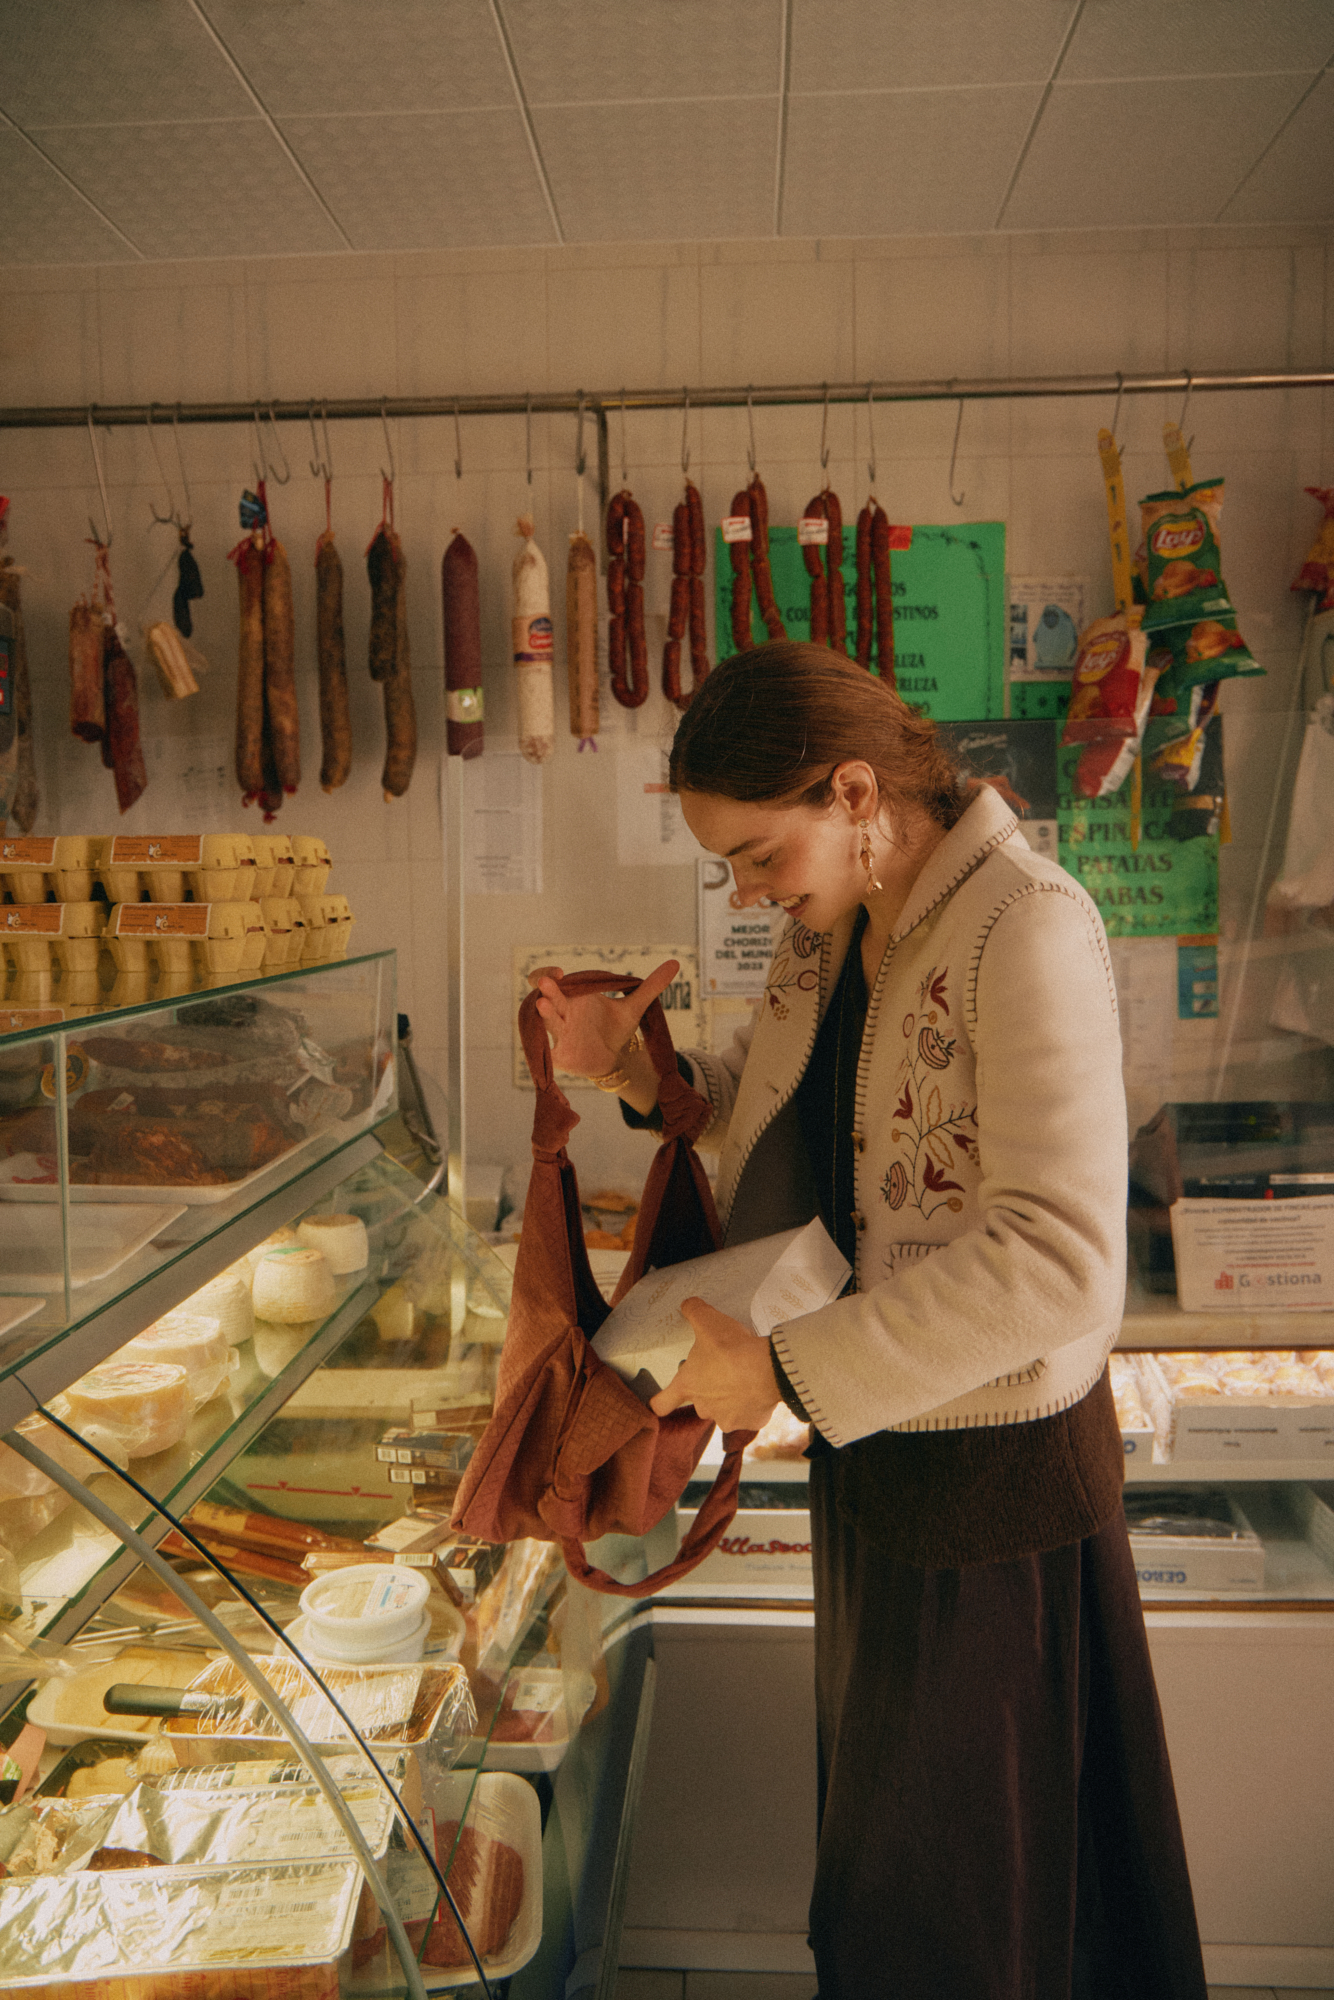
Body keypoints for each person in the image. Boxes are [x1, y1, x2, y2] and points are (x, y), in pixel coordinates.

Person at [532, 643, 1207, 2000]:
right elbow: (781, 1100)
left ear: (853, 791)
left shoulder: (1026, 923)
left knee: (955, 1898)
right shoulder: (832, 921)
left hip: (990, 1473)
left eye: (756, 853)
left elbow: (1059, 1261)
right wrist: (642, 1071)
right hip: (882, 1443)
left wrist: (783, 1368)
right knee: (895, 1871)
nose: (747, 890)